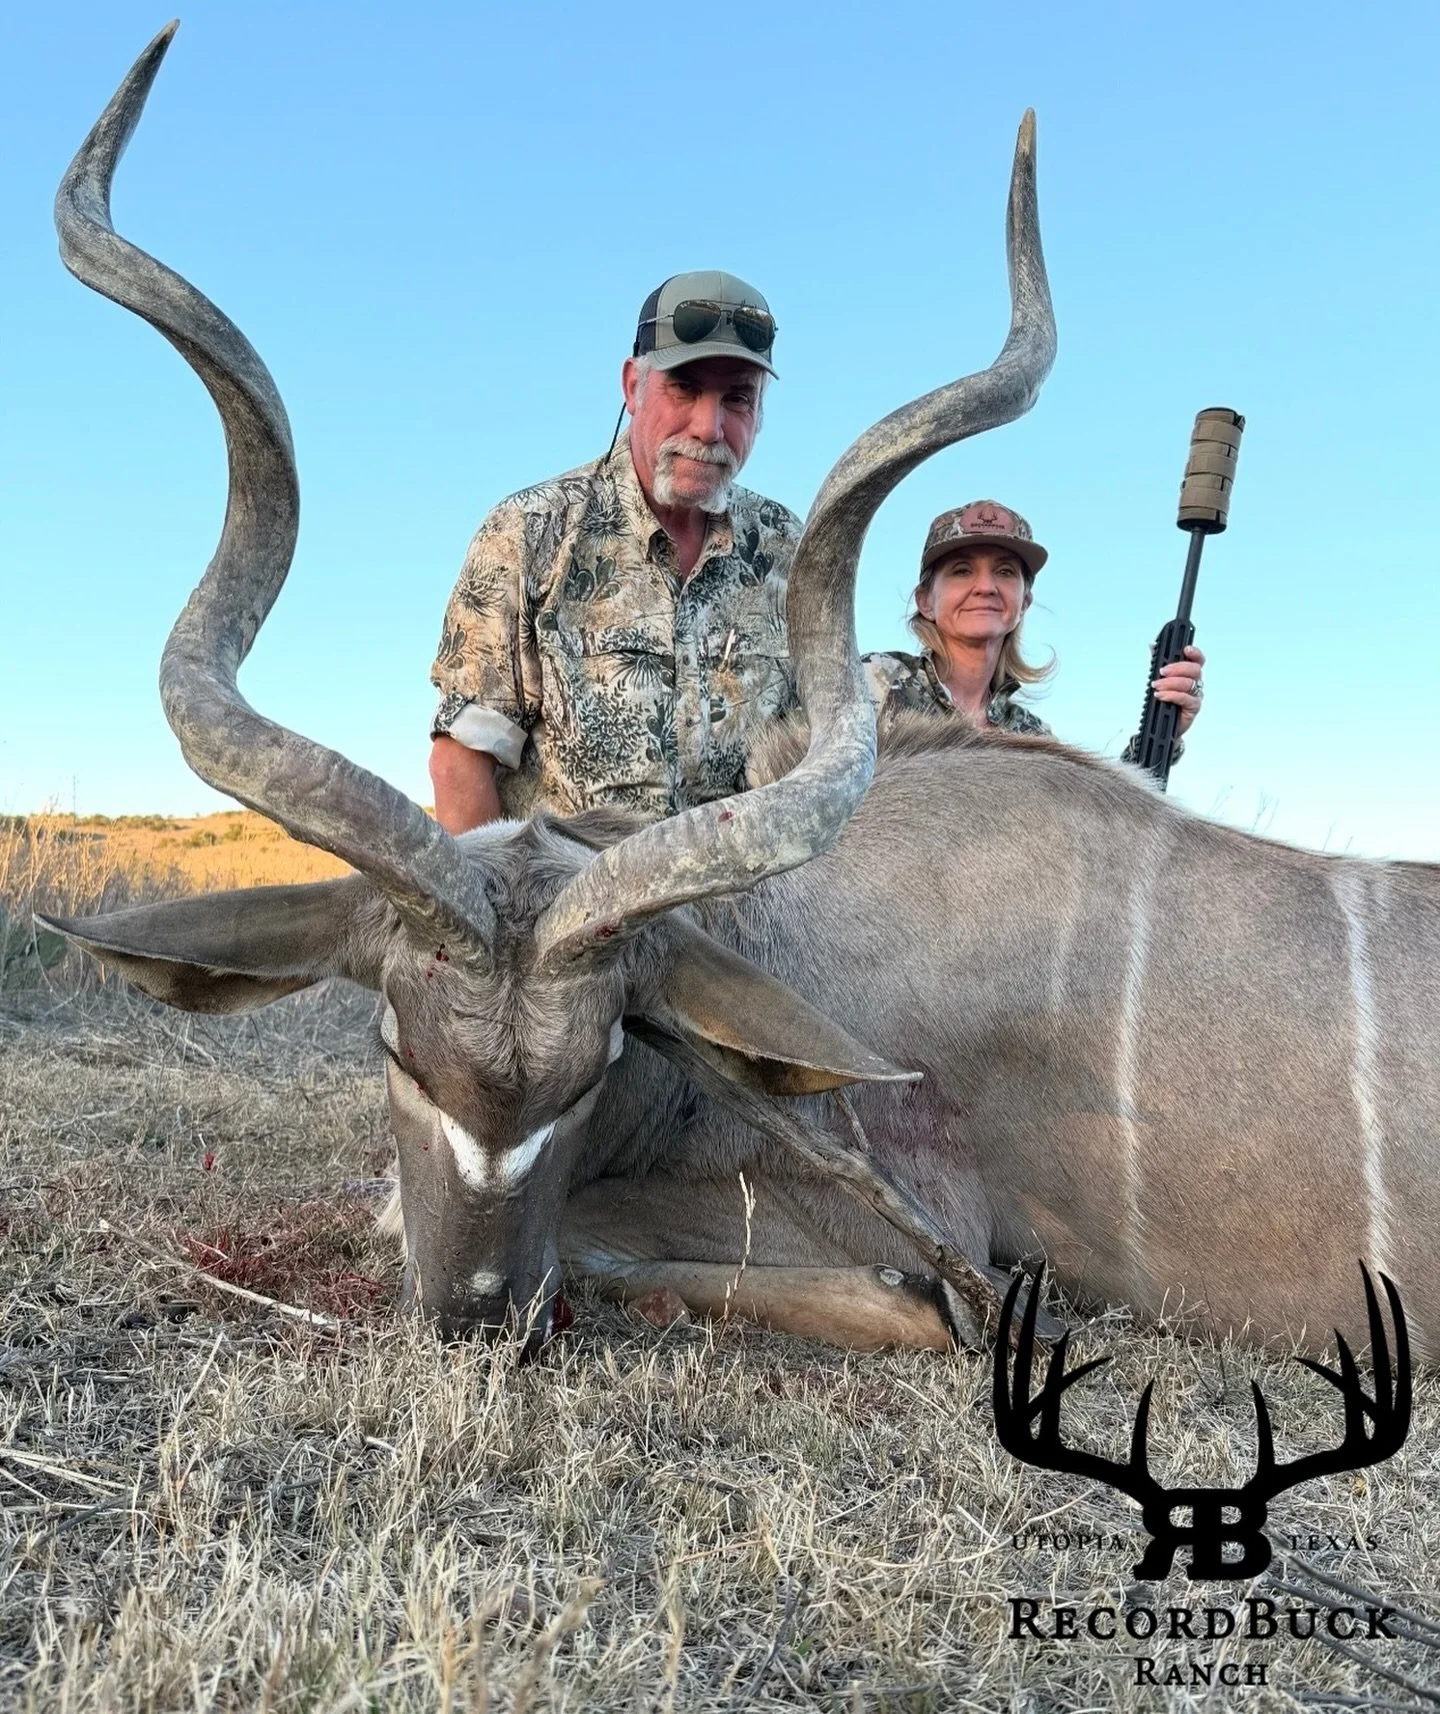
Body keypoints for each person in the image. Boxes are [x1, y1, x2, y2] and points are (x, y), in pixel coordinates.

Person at [428, 271, 801, 833]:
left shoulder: (790, 549)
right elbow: (462, 763)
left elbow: (822, 751)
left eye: (738, 398)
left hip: (749, 911)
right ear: (633, 387)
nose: (710, 426)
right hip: (574, 908)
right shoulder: (530, 531)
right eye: (685, 387)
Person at [862, 499, 1205, 755]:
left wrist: (1165, 733)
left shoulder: (1033, 739)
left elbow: (1094, 837)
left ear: (1024, 601)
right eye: (962, 570)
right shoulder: (875, 683)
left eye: (1006, 572)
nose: (985, 586)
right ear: (925, 601)